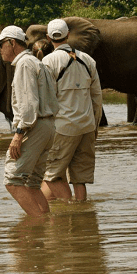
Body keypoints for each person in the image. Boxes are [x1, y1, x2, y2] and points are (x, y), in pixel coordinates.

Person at [0, 25, 59, 216]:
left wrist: (18, 135)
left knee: (12, 179)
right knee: (32, 182)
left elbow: (28, 107)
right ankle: (45, 223)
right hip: (48, 126)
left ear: (12, 43)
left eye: (1, 44)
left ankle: (36, 223)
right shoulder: (35, 62)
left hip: (34, 127)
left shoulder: (24, 64)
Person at [40, 19, 102, 201]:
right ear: (68, 35)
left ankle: (72, 211)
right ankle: (83, 211)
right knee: (79, 178)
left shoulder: (48, 61)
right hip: (87, 126)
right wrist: (95, 126)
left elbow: (45, 100)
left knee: (52, 176)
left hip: (63, 128)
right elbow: (97, 98)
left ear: (48, 37)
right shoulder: (88, 60)